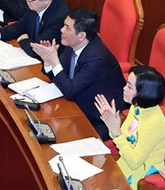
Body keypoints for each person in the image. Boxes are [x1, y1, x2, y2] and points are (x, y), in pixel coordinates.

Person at [30, 8, 126, 140]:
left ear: (81, 35)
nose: (62, 30)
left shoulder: (96, 57)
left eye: (67, 28)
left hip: (99, 118)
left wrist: (54, 60)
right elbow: (60, 78)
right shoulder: (74, 44)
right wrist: (48, 62)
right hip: (76, 103)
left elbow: (69, 90)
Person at [96, 66, 165, 190]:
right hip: (125, 164)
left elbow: (135, 162)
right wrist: (111, 124)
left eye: (129, 86)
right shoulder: (137, 107)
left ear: (143, 92)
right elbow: (124, 137)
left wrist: (116, 133)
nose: (124, 88)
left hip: (142, 179)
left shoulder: (154, 122)